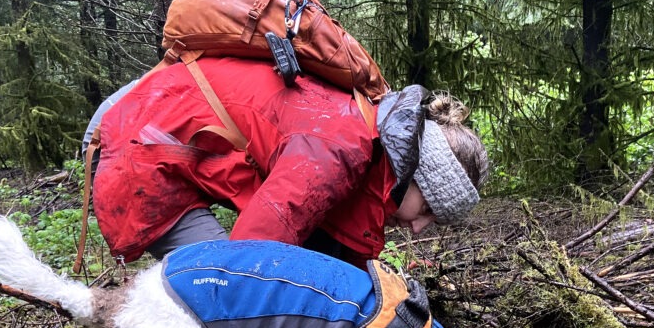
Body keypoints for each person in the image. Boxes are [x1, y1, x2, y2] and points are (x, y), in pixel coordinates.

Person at [84, 56, 489, 267]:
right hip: (140, 141)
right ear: (415, 174)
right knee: (219, 290)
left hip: (160, 125)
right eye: (429, 211)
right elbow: (248, 262)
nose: (419, 228)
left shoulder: (371, 151)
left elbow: (340, 258)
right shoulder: (337, 150)